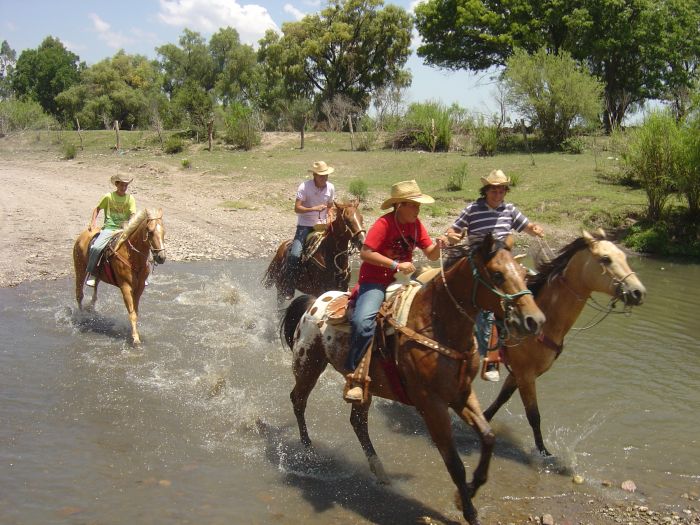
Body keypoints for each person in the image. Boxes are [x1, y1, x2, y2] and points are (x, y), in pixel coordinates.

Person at [345, 180, 441, 402]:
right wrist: (395, 265)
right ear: (399, 206)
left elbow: (432, 254)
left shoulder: (416, 224)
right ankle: (355, 376)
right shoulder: (384, 224)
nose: (418, 209)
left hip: (403, 281)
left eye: (418, 205)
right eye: (414, 205)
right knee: (363, 321)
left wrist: (441, 245)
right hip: (375, 281)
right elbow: (366, 253)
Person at [444, 169, 544, 381]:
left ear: (505, 192)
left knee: (534, 283)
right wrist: (452, 237)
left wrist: (534, 229)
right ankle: (490, 355)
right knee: (486, 301)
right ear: (486, 190)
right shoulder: (473, 209)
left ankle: (532, 335)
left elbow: (526, 226)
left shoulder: (510, 210)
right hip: (479, 261)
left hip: (504, 261)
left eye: (501, 190)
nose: (497, 194)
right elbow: (454, 230)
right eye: (493, 190)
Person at [282, 160, 336, 300]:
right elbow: (297, 208)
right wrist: (313, 208)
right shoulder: (304, 187)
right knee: (295, 254)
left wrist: (330, 215)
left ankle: (339, 283)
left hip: (323, 225)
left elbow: (330, 206)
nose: (325, 178)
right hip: (305, 225)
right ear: (314, 175)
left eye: (326, 175)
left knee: (339, 250)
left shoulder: (330, 188)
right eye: (322, 176)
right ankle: (289, 286)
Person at [85, 174, 137, 287]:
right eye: (122, 185)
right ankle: (93, 273)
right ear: (117, 184)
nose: (124, 187)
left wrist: (130, 224)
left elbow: (133, 214)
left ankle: (141, 274)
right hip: (109, 228)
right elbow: (97, 209)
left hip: (124, 229)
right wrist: (93, 222)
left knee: (139, 247)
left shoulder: (130, 198)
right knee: (96, 247)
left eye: (126, 185)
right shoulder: (108, 197)